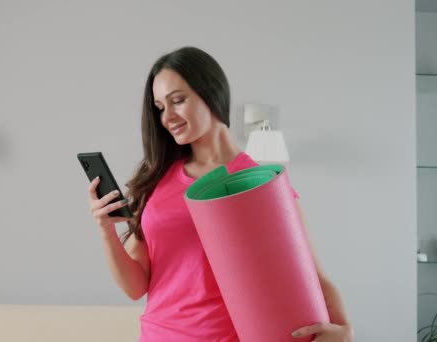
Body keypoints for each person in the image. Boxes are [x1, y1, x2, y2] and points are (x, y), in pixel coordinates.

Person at [87, 46, 354, 341]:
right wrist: (106, 230)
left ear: (211, 93)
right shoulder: (157, 180)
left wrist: (344, 330)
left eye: (178, 101)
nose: (167, 117)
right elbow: (136, 286)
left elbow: (311, 275)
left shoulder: (257, 182)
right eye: (161, 107)